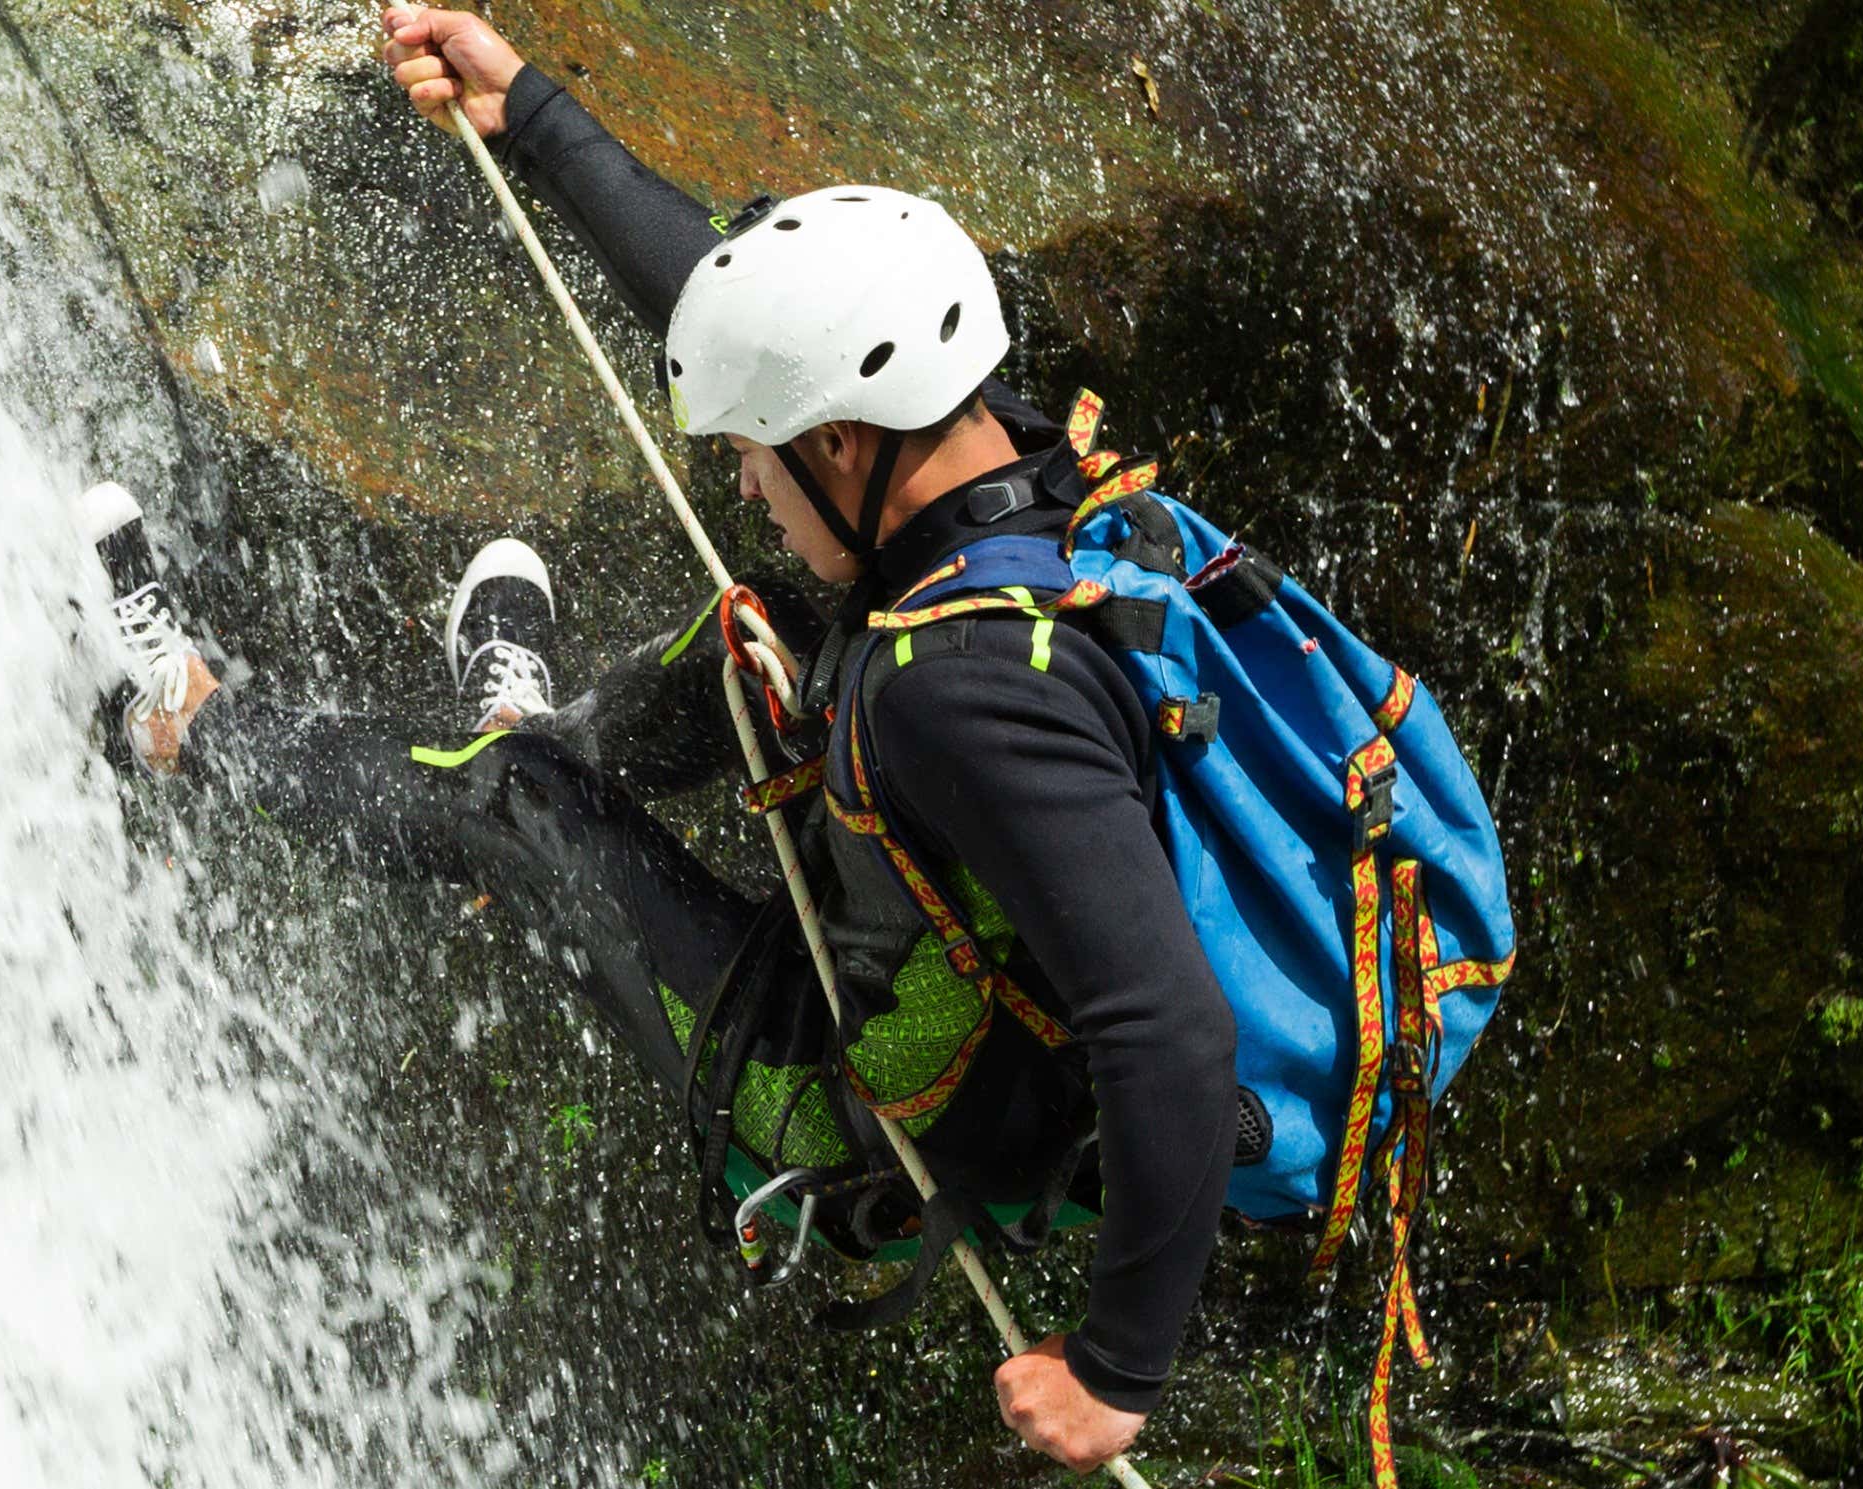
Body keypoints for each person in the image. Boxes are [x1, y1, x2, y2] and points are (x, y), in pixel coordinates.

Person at [72, 7, 1239, 1470]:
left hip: (846, 1107)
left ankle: (187, 727)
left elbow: (1173, 1027)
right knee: (761, 627)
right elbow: (747, 314)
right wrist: (530, 117)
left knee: (522, 803)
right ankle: (535, 725)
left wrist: (1119, 1364)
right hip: (963, 982)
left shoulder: (973, 693)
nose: (741, 481)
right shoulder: (997, 471)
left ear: (841, 443)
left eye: (756, 453)